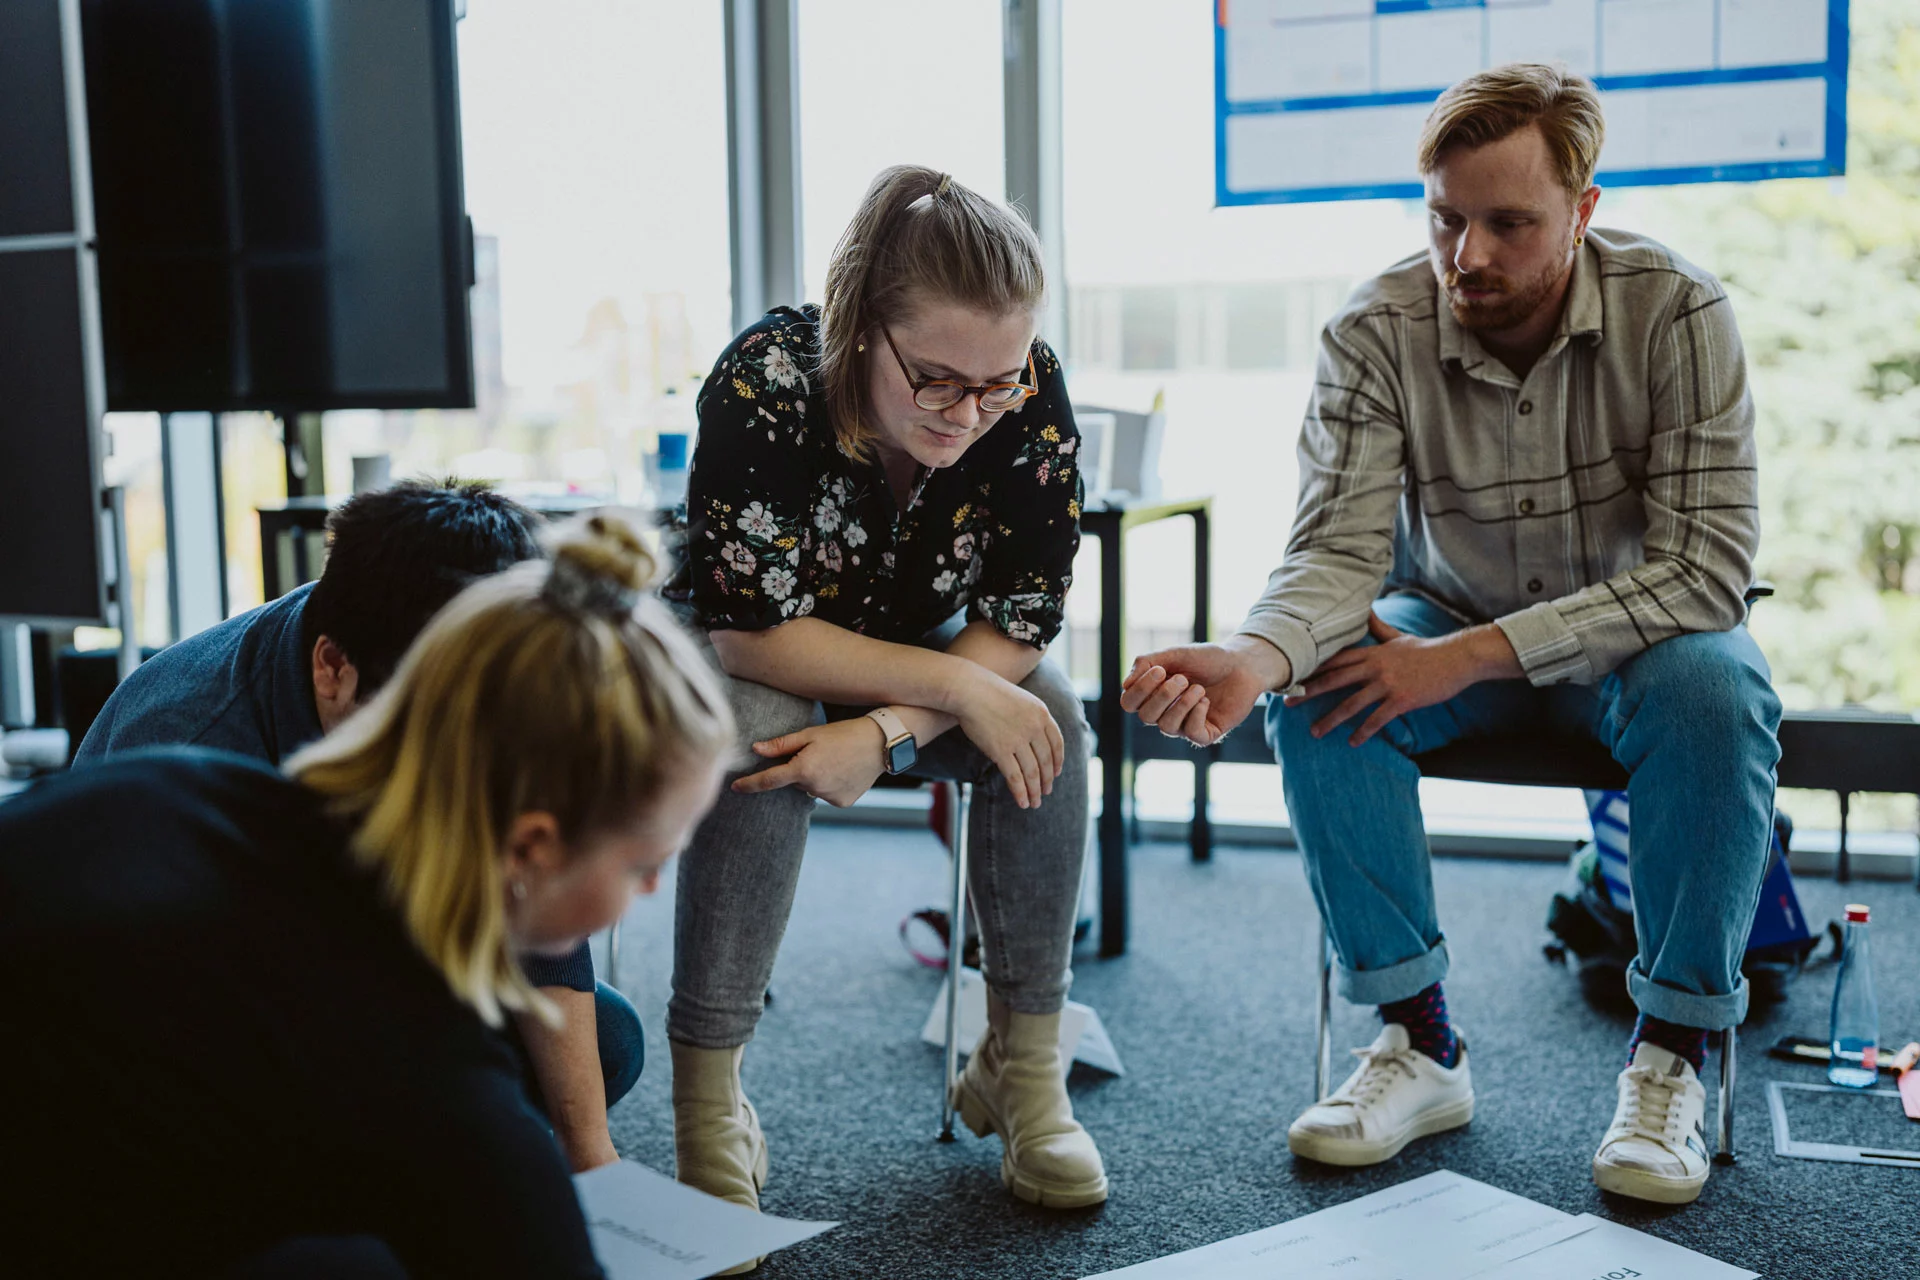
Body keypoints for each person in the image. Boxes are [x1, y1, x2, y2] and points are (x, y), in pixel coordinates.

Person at [1122, 64, 1781, 1206]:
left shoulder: (1679, 310)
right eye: (1444, 217)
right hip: (1444, 611)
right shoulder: (1374, 327)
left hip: (1640, 640)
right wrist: (1254, 654)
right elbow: (1332, 555)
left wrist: (1470, 655)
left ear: (1582, 209)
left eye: (1508, 223)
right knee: (1323, 684)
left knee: (1720, 696)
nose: (1467, 255)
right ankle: (1419, 1039)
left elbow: (1707, 569)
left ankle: (1670, 1053)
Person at [0, 516, 733, 1278]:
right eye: (644, 862)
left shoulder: (182, 785)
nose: (650, 888)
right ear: (528, 847)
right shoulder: (415, 1060)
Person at [663, 164, 1103, 1266]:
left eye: (997, 384)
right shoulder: (766, 378)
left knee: (1051, 713)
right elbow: (752, 628)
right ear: (863, 327)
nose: (971, 414)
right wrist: (950, 690)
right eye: (940, 381)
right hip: (763, 644)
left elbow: (1022, 614)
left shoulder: (1023, 389)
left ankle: (1022, 1067)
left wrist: (887, 729)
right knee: (764, 716)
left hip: (911, 656)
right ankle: (709, 1096)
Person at [74, 479, 644, 1174]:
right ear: (333, 669)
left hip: (351, 950)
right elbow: (156, 1027)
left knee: (606, 1042)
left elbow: (538, 928)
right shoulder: (189, 752)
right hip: (162, 1029)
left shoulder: (495, 681)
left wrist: (593, 1162)